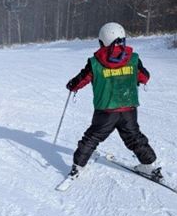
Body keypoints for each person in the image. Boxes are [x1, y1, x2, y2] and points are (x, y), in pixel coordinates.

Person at [64, 22, 160, 179]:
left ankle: (78, 166)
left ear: (102, 41)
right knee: (134, 137)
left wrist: (72, 86)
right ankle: (149, 165)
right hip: (128, 109)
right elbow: (144, 77)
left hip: (105, 111)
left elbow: (81, 80)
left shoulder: (95, 62)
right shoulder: (133, 59)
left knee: (92, 138)